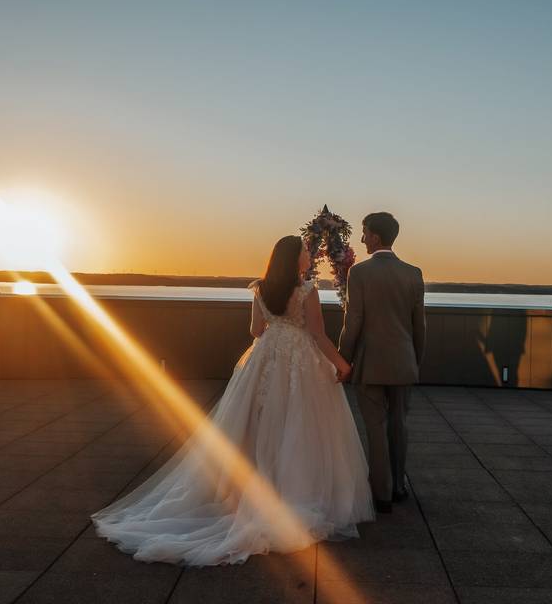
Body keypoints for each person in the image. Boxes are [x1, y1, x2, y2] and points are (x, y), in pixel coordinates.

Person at [92, 235, 374, 565]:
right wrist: (341, 364)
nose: (308, 255)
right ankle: (292, 491)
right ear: (294, 258)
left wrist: (276, 330)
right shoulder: (307, 290)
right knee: (299, 424)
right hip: (299, 359)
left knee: (257, 424)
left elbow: (256, 331)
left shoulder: (260, 288)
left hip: (265, 357)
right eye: (304, 251)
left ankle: (252, 491)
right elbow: (317, 333)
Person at [339, 212, 426, 513]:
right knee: (399, 425)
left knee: (375, 427)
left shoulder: (359, 273)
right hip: (403, 362)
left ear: (375, 236)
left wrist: (343, 359)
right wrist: (415, 360)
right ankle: (399, 485)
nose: (361, 239)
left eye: (364, 233)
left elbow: (354, 322)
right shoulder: (414, 273)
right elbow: (420, 326)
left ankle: (382, 492)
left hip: (370, 363)